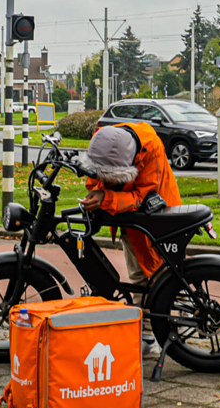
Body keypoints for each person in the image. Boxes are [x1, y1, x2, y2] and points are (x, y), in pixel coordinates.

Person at [78, 121, 182, 354]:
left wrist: (105, 198)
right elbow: (96, 175)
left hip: (157, 216)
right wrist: (98, 188)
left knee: (156, 275)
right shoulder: (104, 139)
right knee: (138, 275)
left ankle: (160, 329)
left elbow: (142, 196)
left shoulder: (151, 149)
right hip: (128, 218)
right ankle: (146, 334)